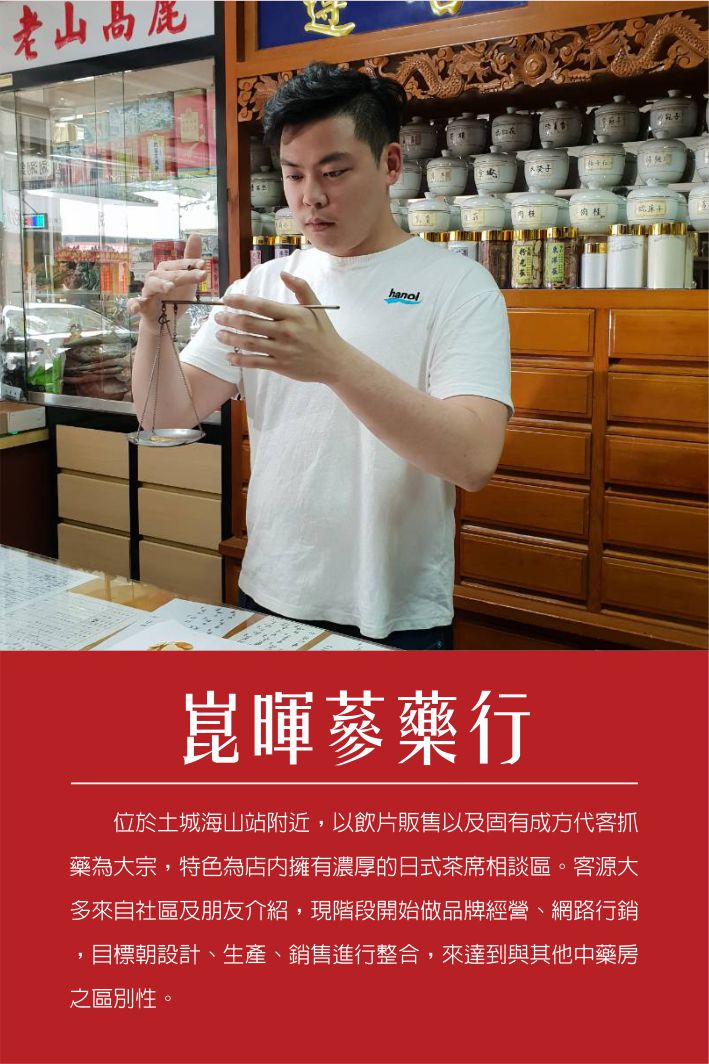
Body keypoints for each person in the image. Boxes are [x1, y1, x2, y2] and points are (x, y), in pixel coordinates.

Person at [131, 63, 512, 650]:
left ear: (390, 164)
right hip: (270, 589)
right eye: (293, 175)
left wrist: (333, 363)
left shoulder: (457, 285)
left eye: (334, 172)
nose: (310, 197)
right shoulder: (263, 285)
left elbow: (473, 459)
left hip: (394, 611)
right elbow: (163, 417)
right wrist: (156, 323)